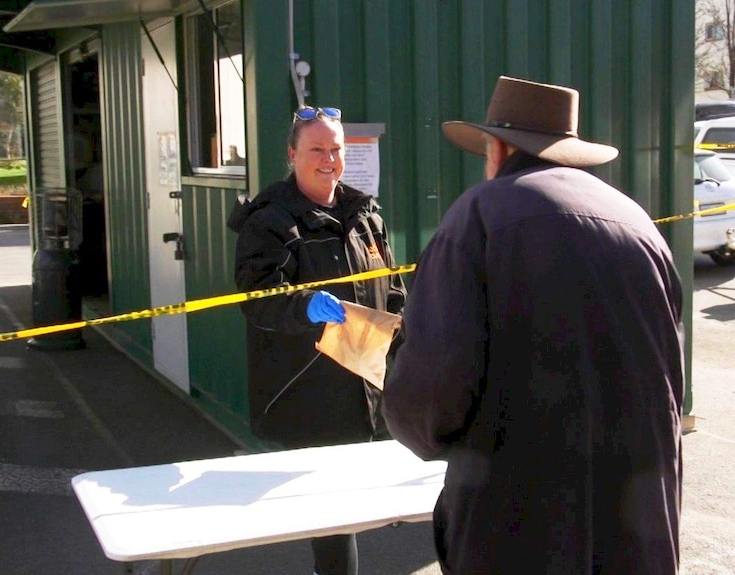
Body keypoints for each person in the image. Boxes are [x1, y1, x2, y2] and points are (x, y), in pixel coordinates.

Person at [383, 76, 684, 575]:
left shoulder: (477, 217)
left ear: (498, 148)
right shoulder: (637, 223)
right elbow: (670, 378)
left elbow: (431, 389)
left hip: (517, 522)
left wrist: (421, 431)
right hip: (638, 520)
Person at [227, 105, 406, 575]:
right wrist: (302, 304)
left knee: (363, 501)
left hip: (368, 385)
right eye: (316, 149)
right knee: (334, 517)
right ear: (292, 155)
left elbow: (392, 291)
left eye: (336, 149)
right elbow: (257, 298)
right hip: (311, 391)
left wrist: (407, 333)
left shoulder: (365, 215)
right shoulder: (269, 222)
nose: (329, 159)